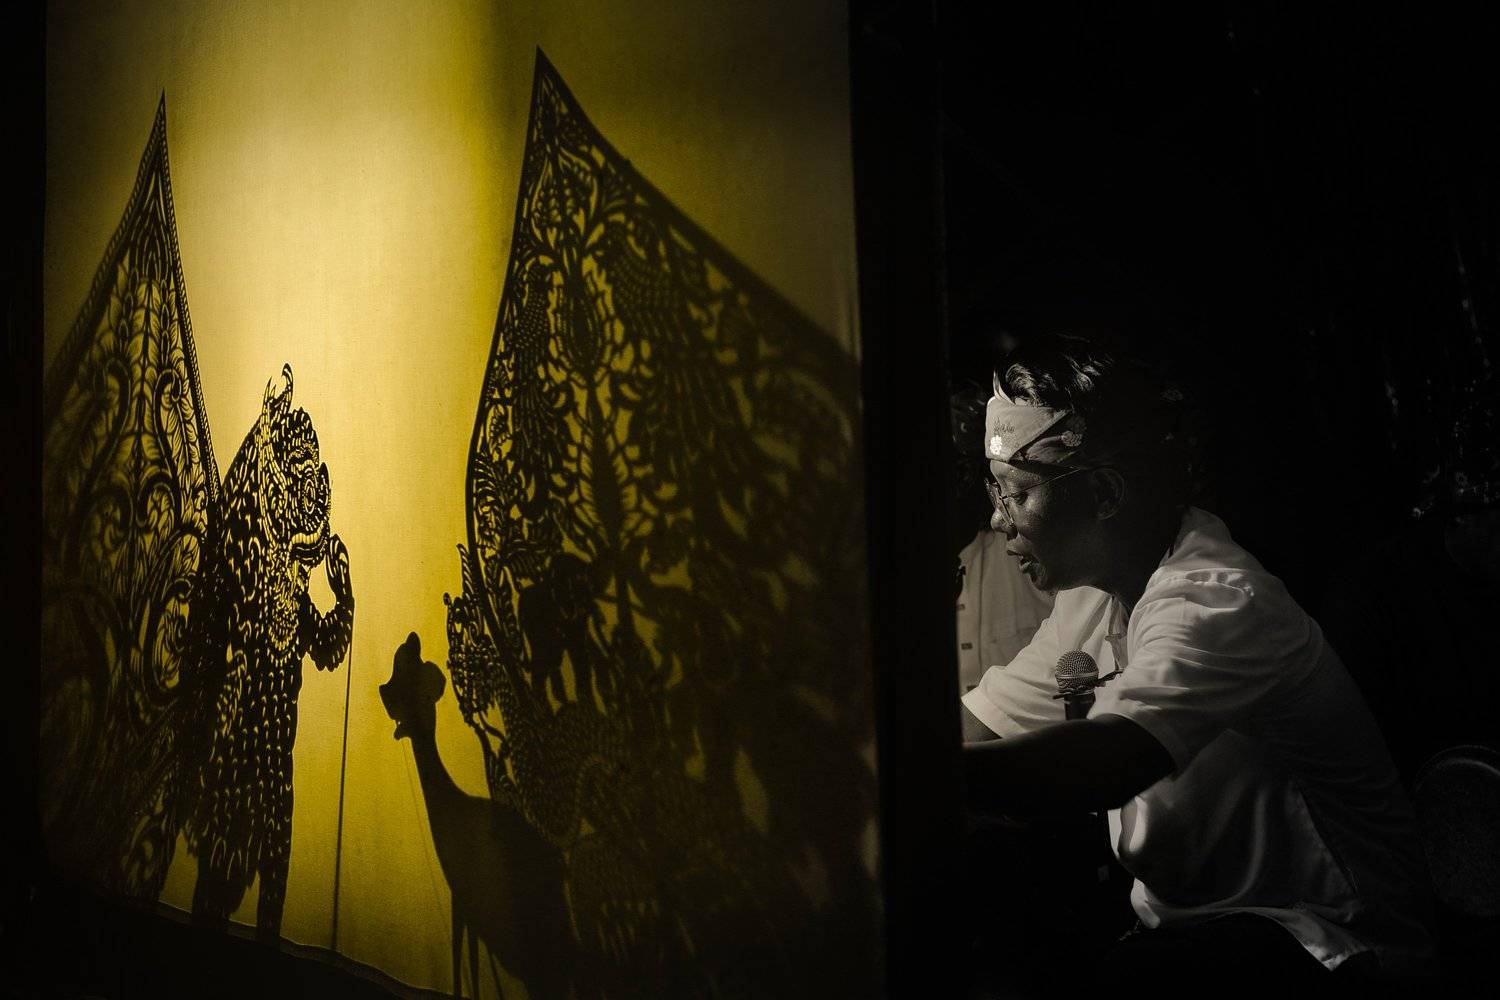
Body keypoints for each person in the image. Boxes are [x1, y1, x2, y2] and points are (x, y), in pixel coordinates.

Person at [959, 336, 1433, 994]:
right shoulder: (1093, 600)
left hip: (1327, 940)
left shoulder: (1216, 600)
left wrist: (911, 777)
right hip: (1192, 936)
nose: (997, 518)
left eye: (1015, 494)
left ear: (1103, 492)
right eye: (996, 491)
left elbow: (1110, 760)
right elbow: (979, 726)